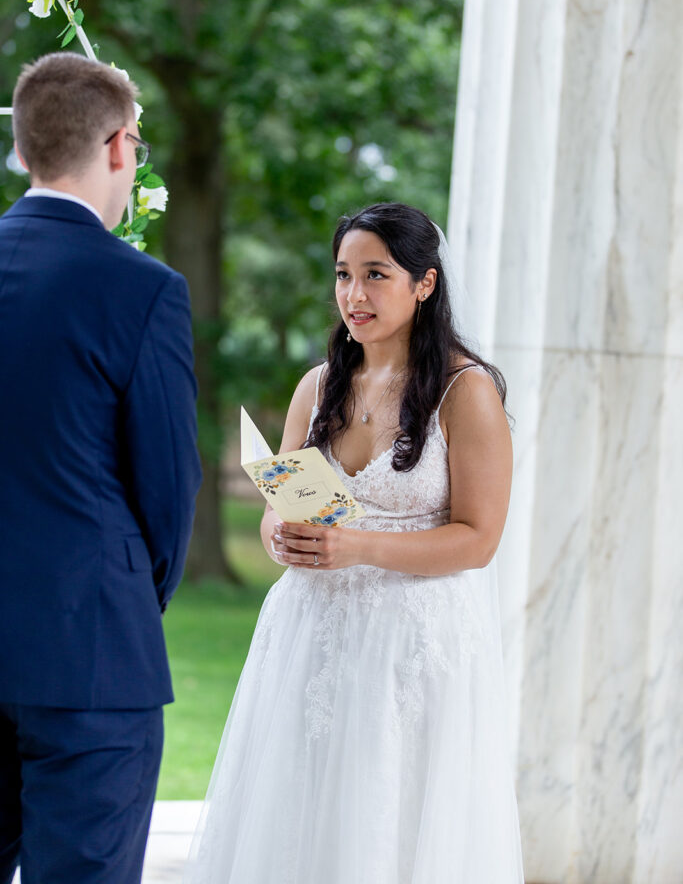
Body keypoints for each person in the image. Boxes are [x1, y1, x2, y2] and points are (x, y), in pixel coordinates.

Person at [185, 202, 524, 883]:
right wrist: (279, 533)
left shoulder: (465, 391)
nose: (354, 295)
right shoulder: (318, 386)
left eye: (376, 275)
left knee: (386, 818)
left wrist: (358, 547)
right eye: (343, 275)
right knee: (293, 816)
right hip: (308, 636)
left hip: (408, 648)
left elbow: (478, 539)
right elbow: (279, 503)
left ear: (423, 284)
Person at [0, 52, 202, 884]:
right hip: (89, 651)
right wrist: (122, 596)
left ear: (23, 151)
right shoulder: (141, 290)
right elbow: (168, 490)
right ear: (120, 147)